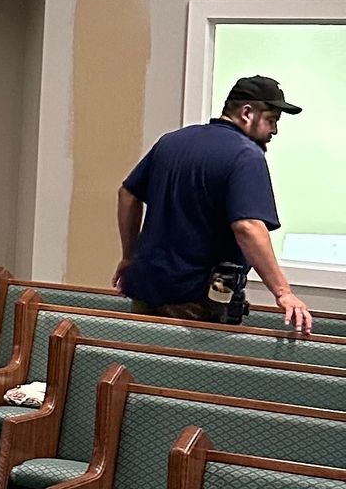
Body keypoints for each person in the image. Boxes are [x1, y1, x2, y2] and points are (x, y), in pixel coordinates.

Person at [116, 74, 313, 335]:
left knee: (142, 369)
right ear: (247, 113)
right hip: (197, 305)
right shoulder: (245, 155)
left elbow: (127, 194)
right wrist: (283, 292)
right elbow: (248, 227)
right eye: (271, 120)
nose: (274, 130)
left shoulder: (171, 142)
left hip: (145, 293)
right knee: (195, 375)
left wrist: (129, 256)